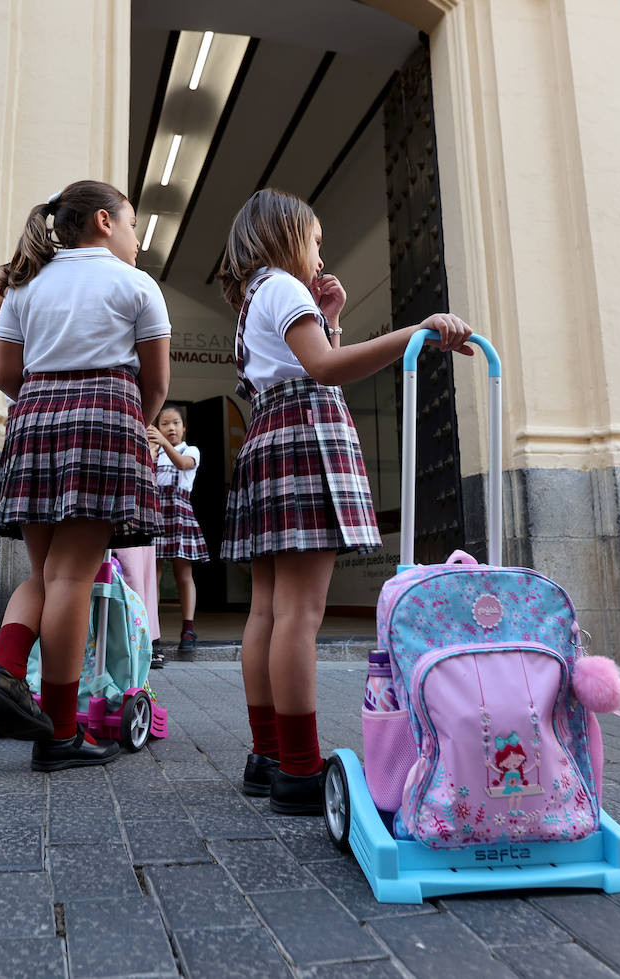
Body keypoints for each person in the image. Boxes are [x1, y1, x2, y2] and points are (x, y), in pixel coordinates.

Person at [217, 187, 473, 814]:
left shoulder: (258, 294)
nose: (319, 253)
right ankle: (300, 770)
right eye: (315, 240)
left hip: (270, 440)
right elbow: (325, 369)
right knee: (300, 616)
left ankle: (269, 754)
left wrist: (329, 315)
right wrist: (415, 333)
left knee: (269, 613)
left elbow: (305, 359)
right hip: (305, 438)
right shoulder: (283, 285)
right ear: (284, 236)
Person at [0, 180, 170, 772]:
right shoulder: (136, 284)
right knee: (72, 578)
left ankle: (5, 668)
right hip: (106, 416)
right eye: (133, 225)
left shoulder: (24, 285)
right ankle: (60, 733)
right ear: (106, 223)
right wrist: (127, 416)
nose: (137, 239)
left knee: (46, 572)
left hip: (34, 417)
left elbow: (7, 372)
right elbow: (155, 384)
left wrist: (47, 396)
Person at [147, 404, 208, 665]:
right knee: (153, 575)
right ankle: (151, 633)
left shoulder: (189, 450)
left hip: (180, 514)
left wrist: (163, 444)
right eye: (164, 424)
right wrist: (151, 449)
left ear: (184, 428)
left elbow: (183, 464)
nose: (170, 428)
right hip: (157, 514)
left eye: (175, 423)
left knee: (184, 574)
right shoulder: (156, 452)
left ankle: (188, 628)